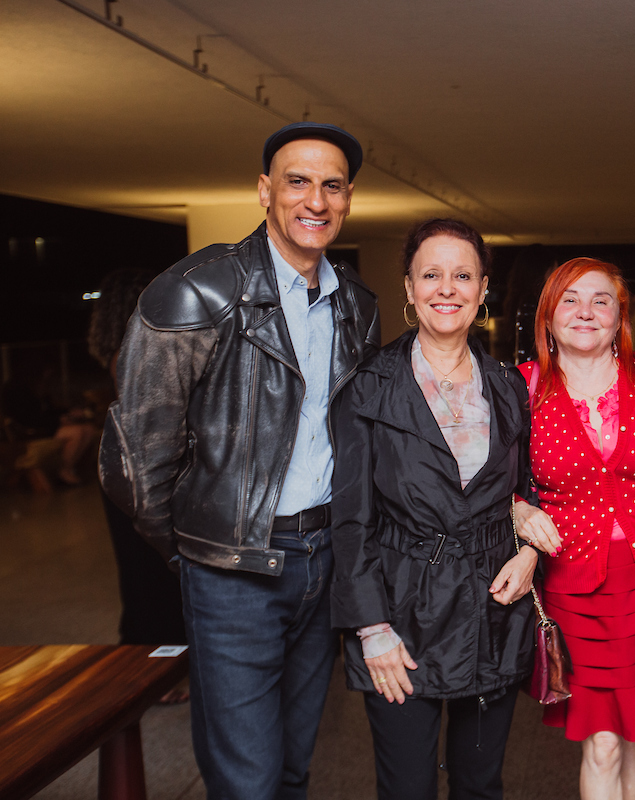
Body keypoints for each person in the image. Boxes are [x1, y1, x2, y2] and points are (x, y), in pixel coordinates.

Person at [99, 122, 380, 799]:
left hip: (323, 562)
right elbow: (135, 457)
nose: (316, 199)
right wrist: (196, 549)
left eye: (332, 185)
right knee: (245, 781)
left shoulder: (357, 306)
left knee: (290, 769)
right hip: (232, 573)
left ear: (347, 201)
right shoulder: (197, 290)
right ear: (265, 191)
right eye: (298, 181)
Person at [330, 218, 559, 800]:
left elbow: (529, 486)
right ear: (409, 288)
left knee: (481, 784)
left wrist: (531, 551)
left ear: (483, 289)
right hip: (402, 615)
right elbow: (351, 518)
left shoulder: (508, 386)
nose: (447, 288)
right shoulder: (369, 387)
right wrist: (372, 628)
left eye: (463, 275)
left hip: (492, 608)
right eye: (431, 274)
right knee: (407, 787)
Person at [519, 258, 635, 800]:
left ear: (620, 315)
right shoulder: (522, 388)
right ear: (548, 318)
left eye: (601, 300)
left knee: (633, 724)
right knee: (602, 741)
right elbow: (482, 476)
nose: (586, 312)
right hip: (576, 587)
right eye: (569, 300)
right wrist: (517, 509)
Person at [88, 269, 188, 663]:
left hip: (126, 469)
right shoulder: (132, 352)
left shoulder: (119, 351)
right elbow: (150, 422)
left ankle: (147, 656)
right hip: (142, 473)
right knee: (149, 572)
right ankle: (150, 663)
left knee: (141, 570)